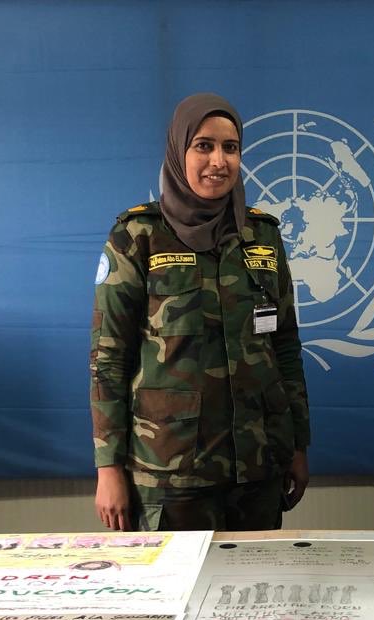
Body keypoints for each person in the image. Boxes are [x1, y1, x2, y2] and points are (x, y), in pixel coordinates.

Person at [91, 94, 311, 534]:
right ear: (179, 152)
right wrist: (108, 468)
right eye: (203, 146)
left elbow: (284, 347)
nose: (218, 161)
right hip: (171, 469)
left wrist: (297, 446)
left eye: (231, 148)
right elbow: (108, 360)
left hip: (257, 464)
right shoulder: (138, 235)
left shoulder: (262, 235)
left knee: (257, 578)